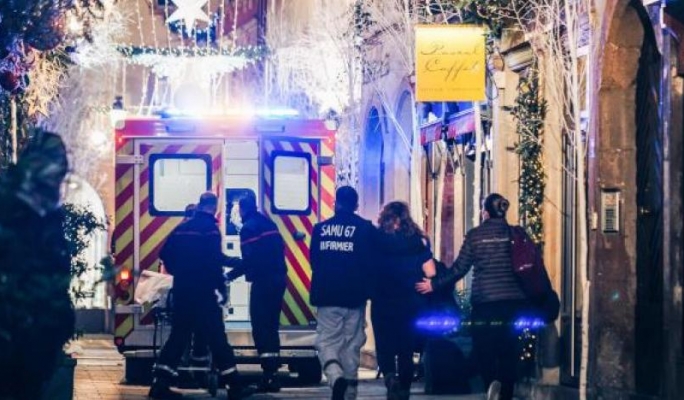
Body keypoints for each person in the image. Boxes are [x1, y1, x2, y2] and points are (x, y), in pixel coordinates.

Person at [416, 193, 531, 400]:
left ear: (485, 212)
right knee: (508, 349)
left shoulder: (475, 236)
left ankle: (491, 385)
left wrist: (434, 284)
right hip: (513, 302)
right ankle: (506, 393)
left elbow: (459, 269)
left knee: (483, 348)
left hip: (485, 302)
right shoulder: (515, 234)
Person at [149, 192, 254, 400]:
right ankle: (234, 386)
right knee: (217, 338)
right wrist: (221, 289)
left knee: (178, 337)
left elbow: (164, 254)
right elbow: (214, 262)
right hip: (204, 294)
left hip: (183, 291)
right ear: (214, 207)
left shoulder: (182, 228)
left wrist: (179, 272)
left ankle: (160, 385)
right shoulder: (210, 230)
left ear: (199, 205)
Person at [309, 186, 376, 400]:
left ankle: (335, 376)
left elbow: (314, 262)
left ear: (335, 203)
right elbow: (372, 263)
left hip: (327, 295)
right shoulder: (366, 229)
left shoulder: (320, 229)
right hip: (355, 297)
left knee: (327, 341)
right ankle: (349, 393)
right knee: (352, 345)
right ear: (356, 205)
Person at [372, 201, 435, 400]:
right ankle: (405, 388)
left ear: (385, 217)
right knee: (406, 348)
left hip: (382, 300)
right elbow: (430, 271)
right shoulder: (417, 240)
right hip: (410, 301)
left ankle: (390, 377)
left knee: (384, 344)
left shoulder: (376, 238)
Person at [225, 192, 287, 393]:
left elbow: (250, 259)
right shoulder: (269, 224)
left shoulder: (248, 229)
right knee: (271, 326)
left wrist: (229, 275)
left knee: (260, 327)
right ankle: (273, 375)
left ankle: (268, 375)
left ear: (242, 209)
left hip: (263, 281)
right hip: (278, 279)